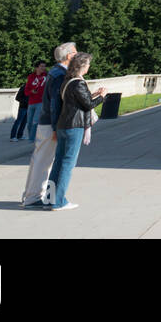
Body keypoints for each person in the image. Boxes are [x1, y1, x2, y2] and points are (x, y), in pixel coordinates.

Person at [46, 53, 108, 211]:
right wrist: (102, 96)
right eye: (87, 64)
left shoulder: (67, 81)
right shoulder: (78, 83)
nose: (89, 67)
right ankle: (59, 201)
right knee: (68, 164)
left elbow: (76, 100)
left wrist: (93, 94)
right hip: (74, 126)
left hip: (62, 125)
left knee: (59, 162)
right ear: (82, 66)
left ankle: (49, 198)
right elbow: (87, 105)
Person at [21, 42, 75, 207]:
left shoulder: (55, 72)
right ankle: (33, 197)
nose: (77, 55)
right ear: (68, 56)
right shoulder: (59, 74)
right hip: (50, 124)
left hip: (47, 122)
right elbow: (55, 103)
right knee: (44, 162)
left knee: (40, 160)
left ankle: (31, 195)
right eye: (75, 53)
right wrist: (55, 127)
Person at [24, 61, 48, 142]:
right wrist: (31, 91)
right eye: (41, 66)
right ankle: (32, 137)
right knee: (29, 122)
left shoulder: (47, 76)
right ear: (37, 67)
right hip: (31, 102)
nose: (43, 68)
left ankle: (32, 139)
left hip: (41, 102)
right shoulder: (31, 77)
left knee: (35, 121)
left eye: (44, 66)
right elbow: (26, 91)